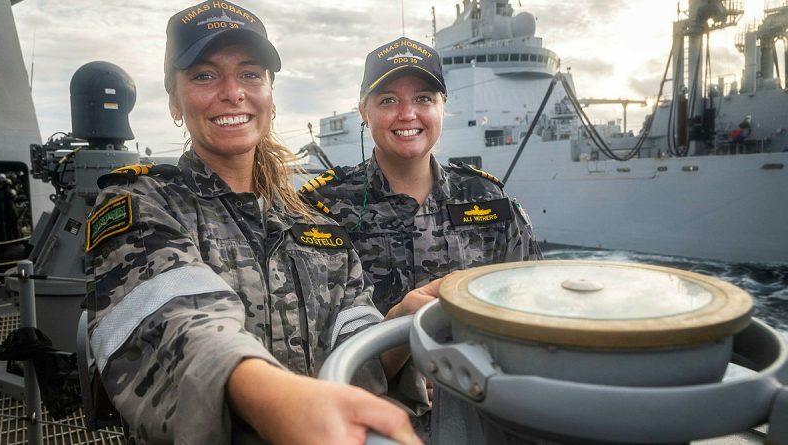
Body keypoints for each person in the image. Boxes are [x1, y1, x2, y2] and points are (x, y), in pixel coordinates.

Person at [84, 3, 432, 444]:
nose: (233, 92)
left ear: (270, 93)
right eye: (204, 75)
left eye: (250, 73)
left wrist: (401, 324)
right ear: (174, 99)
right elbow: (178, 328)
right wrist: (282, 403)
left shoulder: (317, 229)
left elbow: (355, 355)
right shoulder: (140, 204)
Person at [299, 37, 541, 316]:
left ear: (442, 108)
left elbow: (531, 305)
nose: (407, 114)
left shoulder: (487, 198)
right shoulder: (320, 208)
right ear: (364, 111)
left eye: (423, 98)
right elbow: (310, 334)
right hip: (360, 361)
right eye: (388, 100)